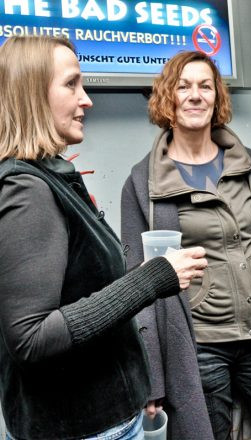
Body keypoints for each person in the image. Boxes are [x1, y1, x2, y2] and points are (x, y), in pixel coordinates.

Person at [0, 35, 208, 440]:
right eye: (71, 84)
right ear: (31, 93)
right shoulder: (25, 190)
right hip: (82, 428)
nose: (86, 99)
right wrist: (152, 278)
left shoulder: (50, 174)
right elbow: (32, 337)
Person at [121, 50, 251, 440]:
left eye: (205, 86)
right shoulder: (142, 184)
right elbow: (136, 284)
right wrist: (153, 379)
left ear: (217, 97)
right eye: (183, 86)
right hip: (201, 345)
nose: (195, 95)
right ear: (167, 97)